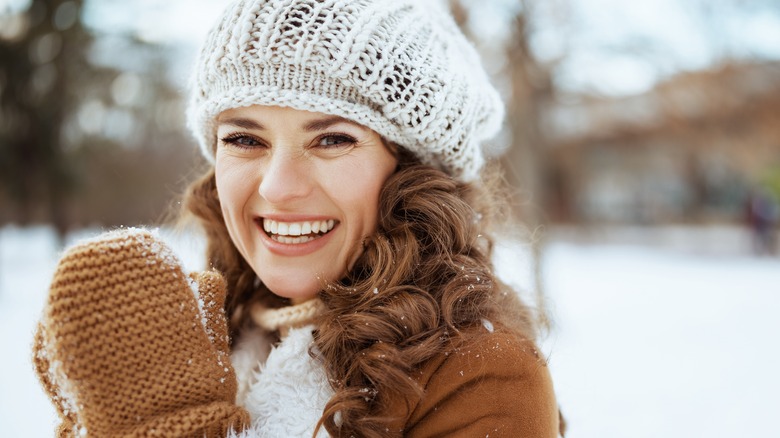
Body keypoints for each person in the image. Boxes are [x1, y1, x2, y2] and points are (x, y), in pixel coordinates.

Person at [32, 0, 564, 436]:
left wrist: (168, 429)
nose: (278, 188)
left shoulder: (485, 374)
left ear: (413, 171)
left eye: (332, 139)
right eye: (244, 139)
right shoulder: (219, 335)